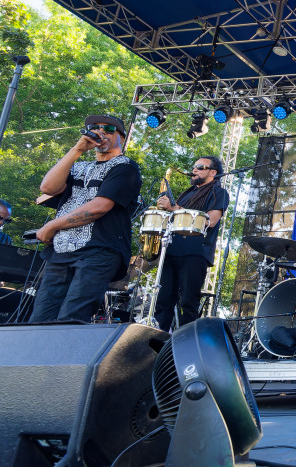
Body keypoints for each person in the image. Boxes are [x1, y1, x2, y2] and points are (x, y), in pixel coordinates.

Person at [29, 115, 142, 323]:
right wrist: (77, 150)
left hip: (98, 251)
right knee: (40, 317)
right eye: (94, 128)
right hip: (61, 252)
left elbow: (100, 207)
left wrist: (52, 225)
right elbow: (48, 188)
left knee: (71, 317)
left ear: (122, 138)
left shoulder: (125, 167)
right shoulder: (79, 166)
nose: (100, 132)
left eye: (108, 128)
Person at [153, 156, 229, 330]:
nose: (194, 170)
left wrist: (175, 208)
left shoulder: (219, 192)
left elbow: (211, 221)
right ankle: (158, 342)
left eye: (200, 167)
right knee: (162, 301)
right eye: (194, 166)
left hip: (195, 253)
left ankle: (186, 346)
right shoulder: (188, 192)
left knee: (188, 303)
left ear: (213, 172)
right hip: (171, 250)